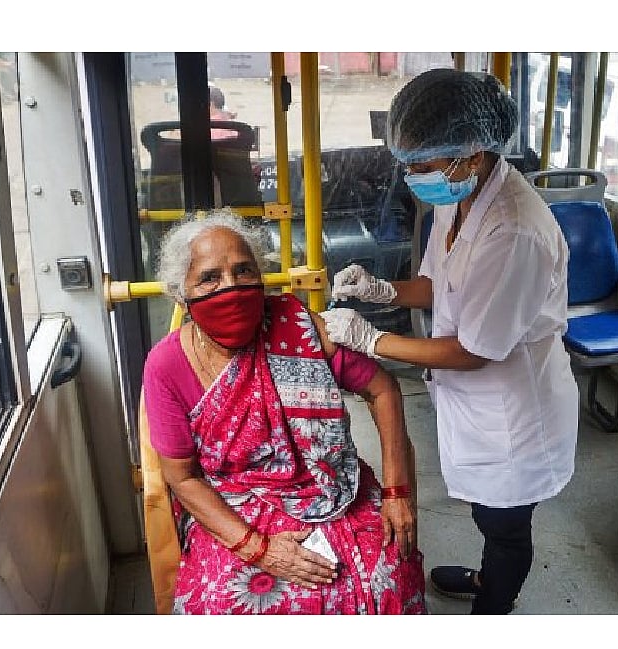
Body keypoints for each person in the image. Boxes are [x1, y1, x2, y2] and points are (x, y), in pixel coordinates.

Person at [319, 69, 579, 614]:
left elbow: (472, 350)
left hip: (514, 415)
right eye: (409, 164)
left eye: (423, 164)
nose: (413, 176)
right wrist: (382, 289)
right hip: (475, 403)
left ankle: (494, 602)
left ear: (474, 153)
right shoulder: (456, 195)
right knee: (485, 512)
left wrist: (370, 339)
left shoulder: (514, 230)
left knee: (505, 524)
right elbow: (440, 282)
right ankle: (487, 576)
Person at [142, 209, 426, 614]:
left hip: (330, 488)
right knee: (226, 604)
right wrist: (259, 549)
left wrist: (397, 491)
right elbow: (182, 477)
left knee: (390, 573)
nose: (231, 286)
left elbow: (382, 389)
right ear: (180, 294)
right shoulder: (167, 364)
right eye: (210, 278)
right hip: (233, 503)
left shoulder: (296, 326)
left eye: (244, 270)